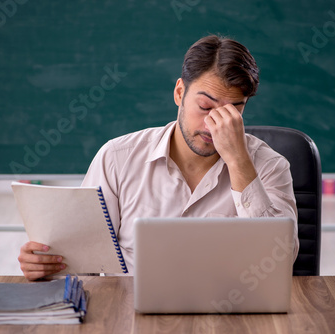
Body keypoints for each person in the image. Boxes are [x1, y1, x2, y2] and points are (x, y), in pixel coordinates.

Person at [18, 35, 299, 281]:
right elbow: (83, 270)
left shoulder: (269, 166)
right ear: (179, 93)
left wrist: (238, 162)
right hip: (130, 314)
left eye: (232, 112)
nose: (214, 125)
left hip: (230, 313)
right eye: (204, 107)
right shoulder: (117, 159)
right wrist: (47, 265)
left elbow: (280, 263)